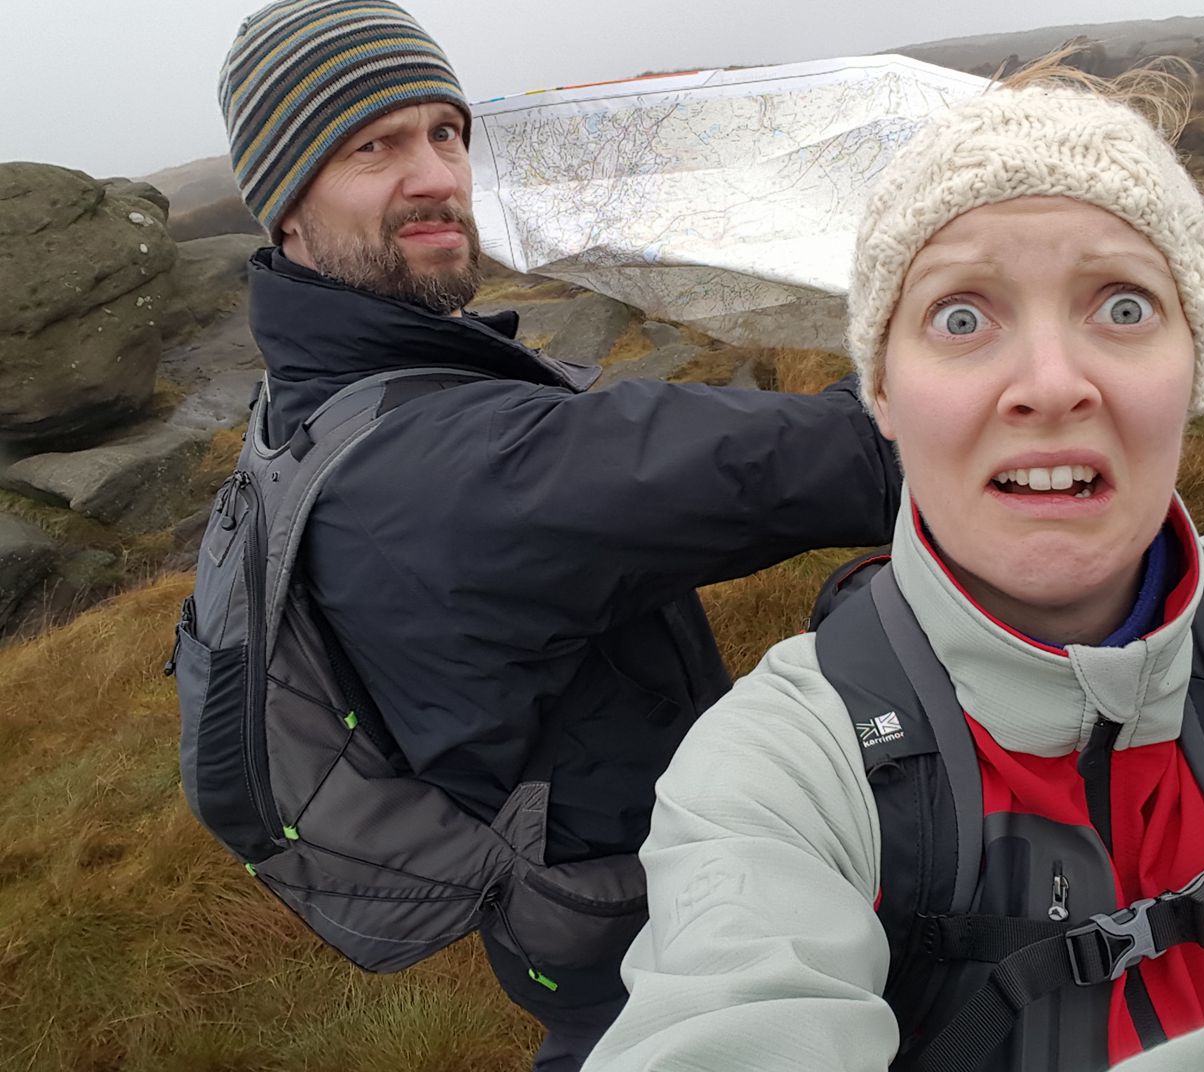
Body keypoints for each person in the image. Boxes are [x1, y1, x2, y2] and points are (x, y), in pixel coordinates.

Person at [581, 57, 1204, 1072]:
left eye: (1122, 305)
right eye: (961, 315)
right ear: (884, 392)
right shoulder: (778, 773)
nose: (1049, 382)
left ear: (1197, 368)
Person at [214, 2, 901, 1069]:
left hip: (578, 920)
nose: (436, 173)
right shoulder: (441, 469)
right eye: (373, 145)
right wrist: (996, 317)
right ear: (286, 208)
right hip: (669, 940)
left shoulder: (316, 398)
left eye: (445, 132)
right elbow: (860, 452)